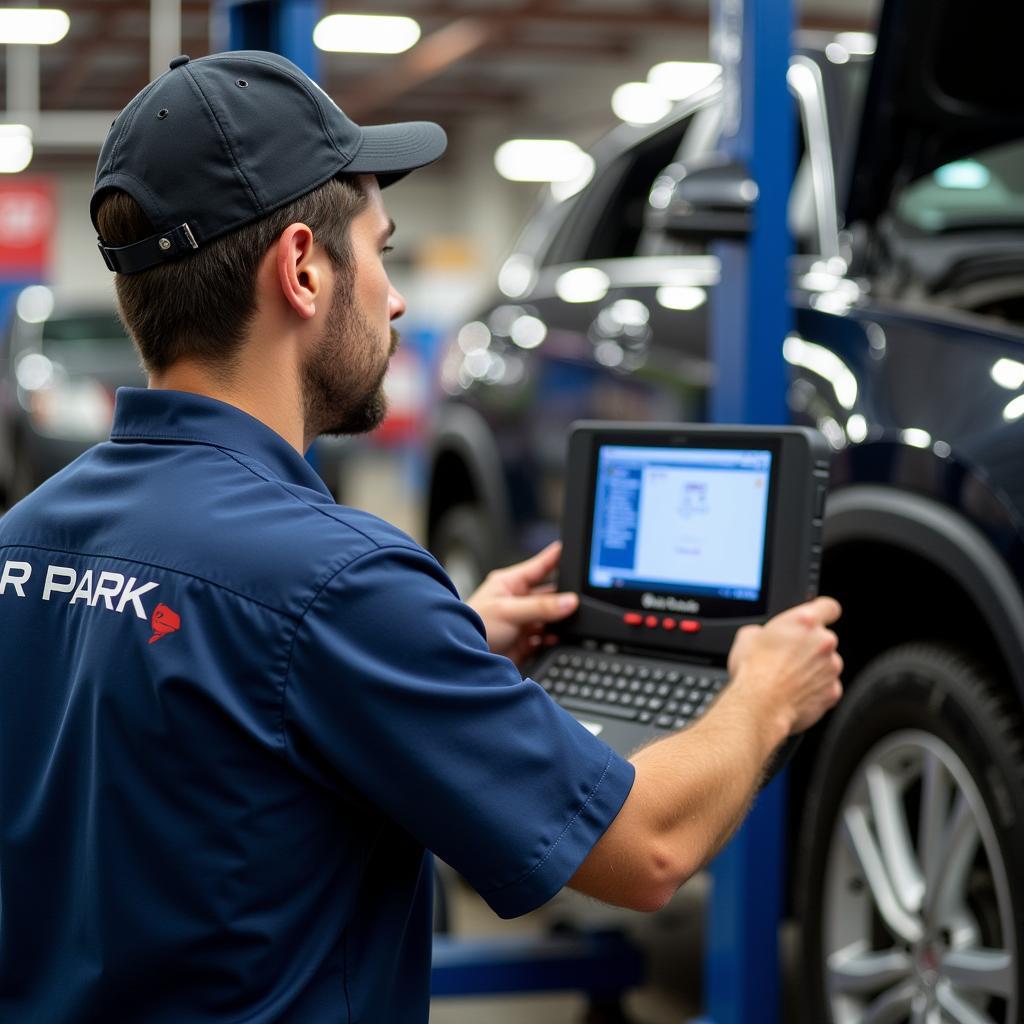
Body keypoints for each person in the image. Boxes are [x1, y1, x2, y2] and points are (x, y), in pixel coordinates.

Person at [0, 51, 842, 1023]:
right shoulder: (337, 583)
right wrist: (766, 694)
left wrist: (437, 647)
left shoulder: (24, 541)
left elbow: (193, 721)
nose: (396, 298)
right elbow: (647, 846)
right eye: (386, 250)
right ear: (305, 268)